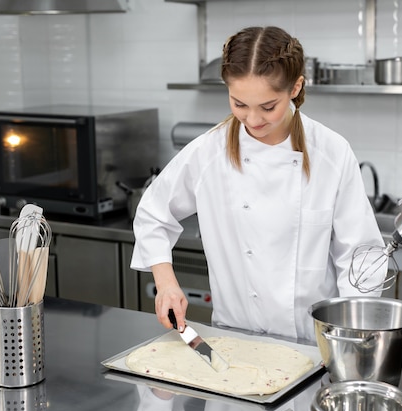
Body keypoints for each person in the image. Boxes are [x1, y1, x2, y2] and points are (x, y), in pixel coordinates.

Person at [131, 26, 386, 342]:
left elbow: (361, 257)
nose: (252, 120)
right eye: (239, 104)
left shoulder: (331, 153)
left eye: (268, 107)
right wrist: (166, 283)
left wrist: (350, 338)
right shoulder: (209, 152)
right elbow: (154, 213)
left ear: (295, 88)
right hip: (232, 341)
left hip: (313, 344)